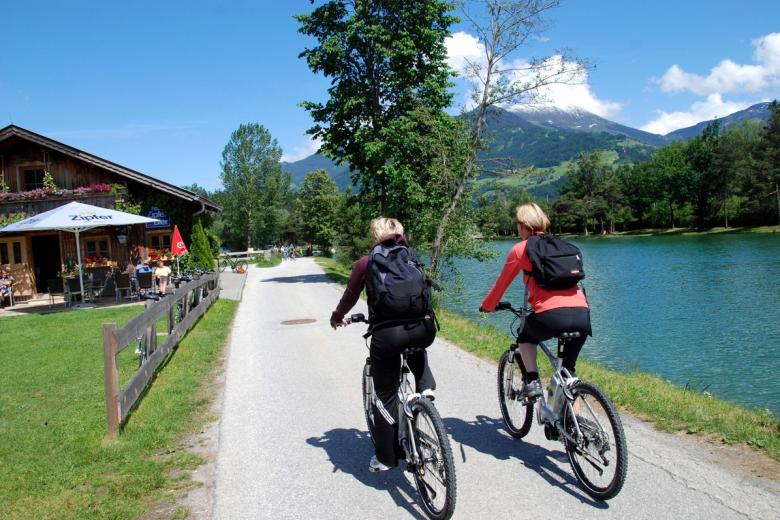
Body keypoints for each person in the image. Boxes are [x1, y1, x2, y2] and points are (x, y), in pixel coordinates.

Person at [330, 217, 437, 473]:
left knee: (385, 395)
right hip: (424, 328)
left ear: (375, 236)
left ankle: (385, 459)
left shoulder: (366, 263)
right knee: (415, 343)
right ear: (399, 234)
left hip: (388, 335)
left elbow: (350, 296)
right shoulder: (411, 257)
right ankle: (425, 388)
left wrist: (336, 317)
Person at [480, 202, 591, 399]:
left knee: (526, 338)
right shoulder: (561, 245)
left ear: (523, 225)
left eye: (518, 224)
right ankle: (573, 426)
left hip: (550, 316)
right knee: (569, 375)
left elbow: (501, 284)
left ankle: (531, 381)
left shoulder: (520, 249)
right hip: (582, 314)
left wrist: (487, 306)